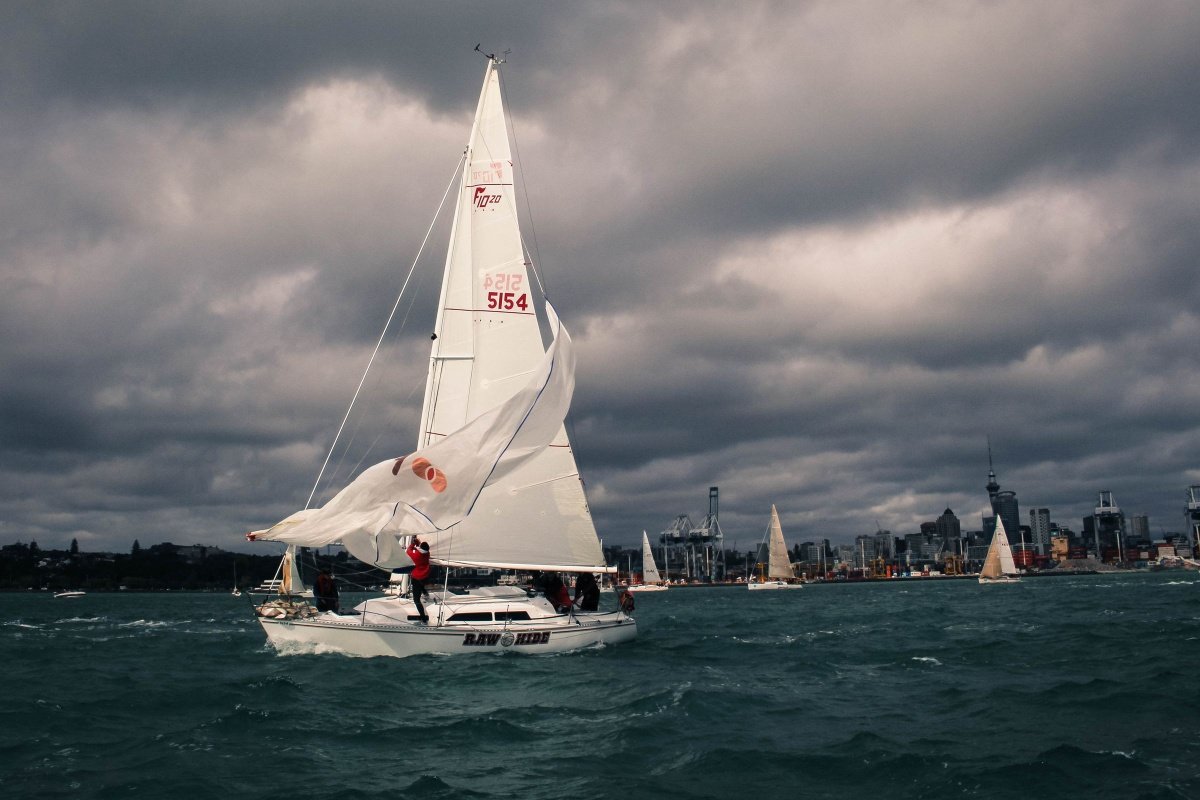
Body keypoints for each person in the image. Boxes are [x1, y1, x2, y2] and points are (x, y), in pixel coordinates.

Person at [406, 537, 431, 623]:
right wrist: (417, 545)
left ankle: (423, 618)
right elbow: (421, 549)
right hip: (425, 576)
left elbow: (408, 550)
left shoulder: (416, 555)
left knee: (416, 600)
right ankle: (425, 592)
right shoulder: (427, 554)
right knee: (421, 585)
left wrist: (413, 544)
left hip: (417, 578)